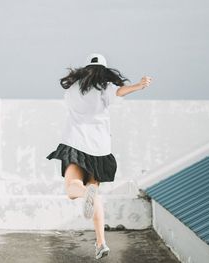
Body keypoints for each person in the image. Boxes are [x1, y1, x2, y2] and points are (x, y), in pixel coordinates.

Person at [46, 53, 152, 260]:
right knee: (95, 195)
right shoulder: (105, 86)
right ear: (104, 70)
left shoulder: (73, 88)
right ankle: (101, 243)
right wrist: (139, 85)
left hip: (74, 144)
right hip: (100, 150)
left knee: (72, 187)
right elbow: (120, 92)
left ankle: (85, 193)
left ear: (85, 69)